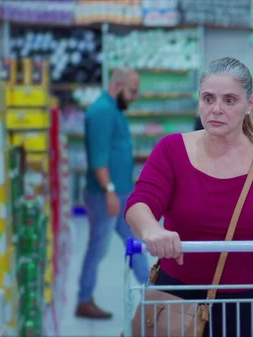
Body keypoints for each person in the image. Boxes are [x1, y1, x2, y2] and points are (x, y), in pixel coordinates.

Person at [124, 57, 253, 336]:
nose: (216, 109)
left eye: (229, 100)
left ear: (249, 104)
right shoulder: (171, 149)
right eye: (208, 99)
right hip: (175, 300)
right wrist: (151, 230)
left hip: (250, 306)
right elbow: (141, 202)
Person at [78, 69, 150, 319]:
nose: (134, 97)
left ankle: (152, 293)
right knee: (98, 247)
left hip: (120, 193)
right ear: (118, 85)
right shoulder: (101, 112)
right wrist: (109, 191)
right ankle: (83, 299)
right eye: (132, 91)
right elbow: (98, 158)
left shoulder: (113, 110)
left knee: (136, 241)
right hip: (105, 195)